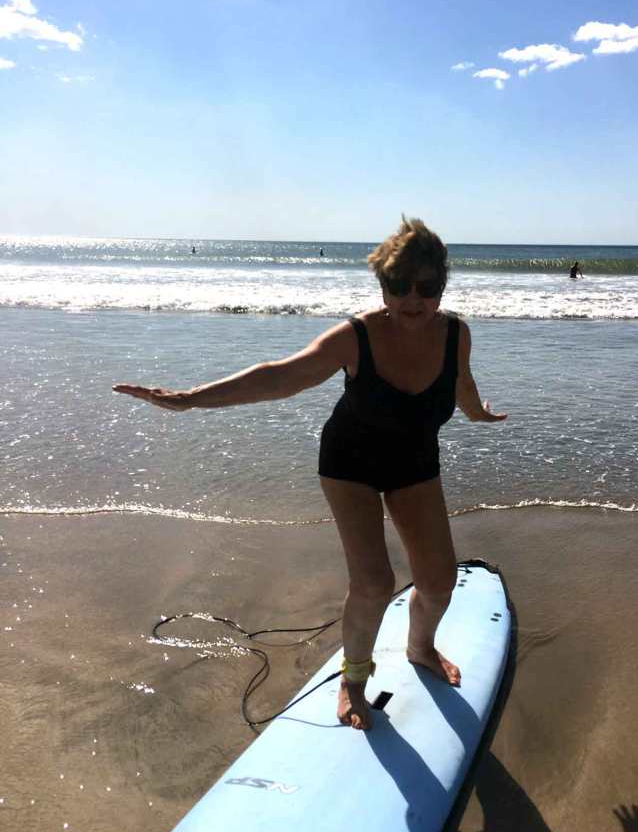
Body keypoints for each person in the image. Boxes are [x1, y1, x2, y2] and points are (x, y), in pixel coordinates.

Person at [113, 218, 506, 731]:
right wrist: (190, 400)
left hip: (414, 462)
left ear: (442, 288)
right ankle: (354, 679)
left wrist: (476, 413)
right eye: (398, 286)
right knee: (373, 581)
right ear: (381, 286)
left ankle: (420, 647)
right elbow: (282, 375)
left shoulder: (456, 334)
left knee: (438, 582)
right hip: (351, 463)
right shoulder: (356, 337)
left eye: (427, 287)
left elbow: (462, 383)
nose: (413, 298)